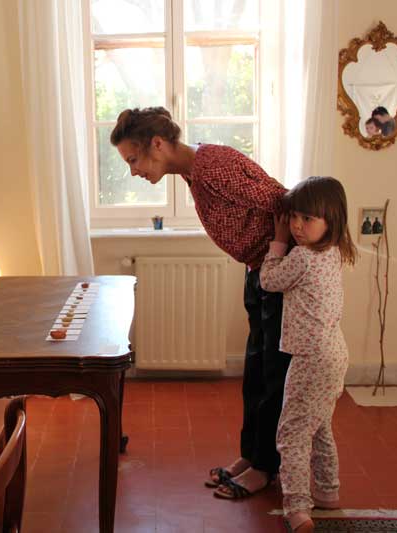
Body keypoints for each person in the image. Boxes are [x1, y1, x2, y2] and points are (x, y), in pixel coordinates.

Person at [110, 107, 289, 499]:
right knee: (256, 374)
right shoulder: (195, 171)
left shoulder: (213, 166)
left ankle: (264, 468)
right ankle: (251, 456)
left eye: (134, 159)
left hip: (277, 274)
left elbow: (283, 201)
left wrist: (277, 257)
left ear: (158, 144)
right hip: (259, 270)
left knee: (273, 376)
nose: (133, 171)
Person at [259, 176, 357, 532]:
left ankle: (298, 507)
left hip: (311, 359)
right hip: (334, 353)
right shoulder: (335, 252)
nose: (297, 226)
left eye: (307, 219)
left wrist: (278, 242)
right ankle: (328, 492)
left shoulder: (301, 256)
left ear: (331, 220)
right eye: (293, 218)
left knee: (292, 434)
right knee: (319, 426)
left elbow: (268, 280)